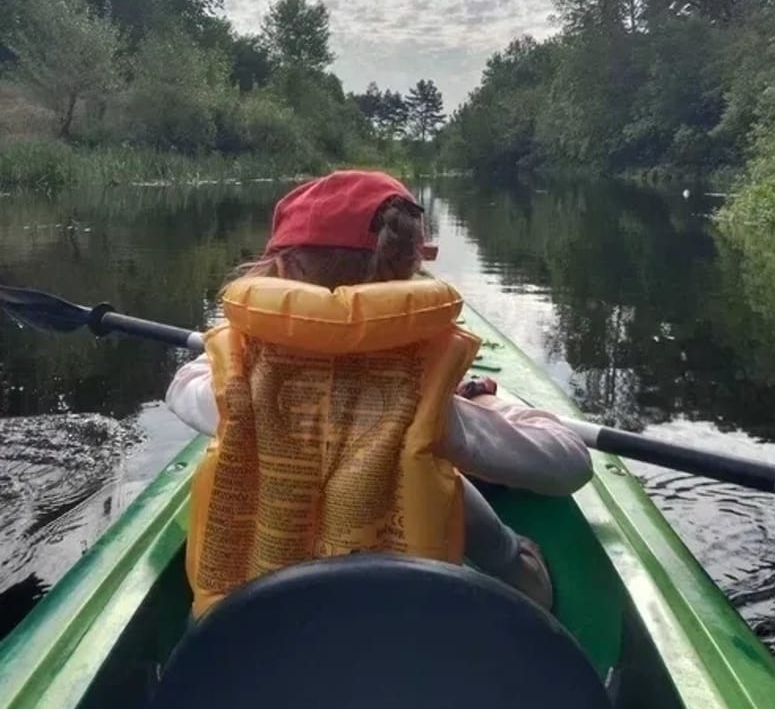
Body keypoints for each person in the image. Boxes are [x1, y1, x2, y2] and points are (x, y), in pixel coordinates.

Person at [166, 169, 593, 618]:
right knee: (431, 473)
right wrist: (480, 402)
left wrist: (244, 345)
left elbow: (182, 385)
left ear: (285, 271)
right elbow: (569, 462)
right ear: (408, 277)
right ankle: (513, 562)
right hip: (393, 633)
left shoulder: (231, 392)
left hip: (256, 633)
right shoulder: (430, 411)